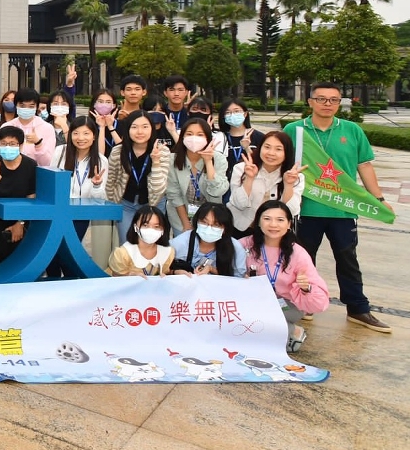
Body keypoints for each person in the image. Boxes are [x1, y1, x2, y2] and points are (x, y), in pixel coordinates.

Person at [283, 83, 393, 333]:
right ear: (310, 102)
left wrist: (378, 198)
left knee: (347, 259)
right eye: (321, 99)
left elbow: (364, 165)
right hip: (306, 208)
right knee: (302, 259)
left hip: (343, 209)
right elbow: (282, 161)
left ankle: (357, 308)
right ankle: (304, 303)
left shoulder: (352, 130)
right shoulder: (294, 130)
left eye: (333, 100)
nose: (328, 104)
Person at [242, 201, 331, 351]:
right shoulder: (245, 245)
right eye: (267, 219)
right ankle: (288, 331)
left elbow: (320, 302)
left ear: (289, 224)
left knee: (258, 319)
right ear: (258, 222)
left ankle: (291, 331)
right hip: (252, 301)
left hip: (285, 305)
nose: (273, 225)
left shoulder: (298, 253)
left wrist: (306, 288)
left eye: (280, 220)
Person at [105, 110, 173, 244]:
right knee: (127, 243)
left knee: (151, 243)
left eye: (145, 127)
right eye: (134, 127)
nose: (140, 132)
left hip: (153, 203)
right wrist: (112, 205)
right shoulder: (118, 151)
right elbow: (111, 181)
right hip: (126, 204)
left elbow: (159, 189)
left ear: (152, 129)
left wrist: (156, 161)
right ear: (127, 129)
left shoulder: (162, 151)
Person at [0, 126, 38, 269]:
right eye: (3, 144)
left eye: (12, 144)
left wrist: (20, 223)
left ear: (21, 145)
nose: (7, 147)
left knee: (19, 259)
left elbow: (31, 197)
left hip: (20, 219)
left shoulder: (30, 165)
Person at [228, 130, 303, 235]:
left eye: (278, 149)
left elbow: (292, 211)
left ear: (287, 152)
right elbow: (239, 204)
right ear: (260, 148)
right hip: (241, 228)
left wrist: (288, 185)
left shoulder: (295, 177)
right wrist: (249, 178)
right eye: (267, 147)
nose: (271, 153)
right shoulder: (241, 169)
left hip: (275, 232)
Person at [166, 117, 230, 233]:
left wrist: (208, 162)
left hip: (211, 220)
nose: (194, 138)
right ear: (182, 137)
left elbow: (217, 191)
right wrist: (186, 224)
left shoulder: (219, 159)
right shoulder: (172, 159)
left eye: (200, 135)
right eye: (189, 134)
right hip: (180, 219)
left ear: (207, 138)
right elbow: (174, 194)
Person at [50, 116, 108, 242]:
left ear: (94, 136)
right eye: (76, 133)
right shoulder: (60, 152)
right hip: (58, 211)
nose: (80, 138)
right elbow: (51, 181)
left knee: (72, 247)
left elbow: (99, 199)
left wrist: (97, 186)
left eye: (86, 133)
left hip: (81, 215)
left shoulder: (101, 161)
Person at [168, 203, 246, 277]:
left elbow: (237, 279)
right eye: (204, 222)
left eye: (216, 225)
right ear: (196, 222)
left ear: (225, 229)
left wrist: (212, 269)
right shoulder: (181, 242)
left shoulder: (236, 248)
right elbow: (163, 269)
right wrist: (174, 272)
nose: (209, 228)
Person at [108, 205, 174, 277]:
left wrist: (175, 272)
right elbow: (115, 276)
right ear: (135, 227)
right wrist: (129, 275)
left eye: (156, 226)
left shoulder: (167, 252)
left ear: (163, 230)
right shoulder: (123, 253)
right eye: (145, 225)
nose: (151, 230)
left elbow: (166, 272)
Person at [2, 88, 56, 167]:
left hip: (37, 172)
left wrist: (38, 144)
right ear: (16, 105)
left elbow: (48, 163)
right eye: (22, 106)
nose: (26, 109)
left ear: (36, 107)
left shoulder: (47, 128)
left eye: (31, 106)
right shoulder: (7, 127)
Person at [219, 98, 265, 180]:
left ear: (245, 114)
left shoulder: (259, 137)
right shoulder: (220, 137)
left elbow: (262, 162)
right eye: (228, 112)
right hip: (225, 182)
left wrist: (247, 148)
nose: (232, 115)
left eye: (236, 111)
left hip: (251, 180)